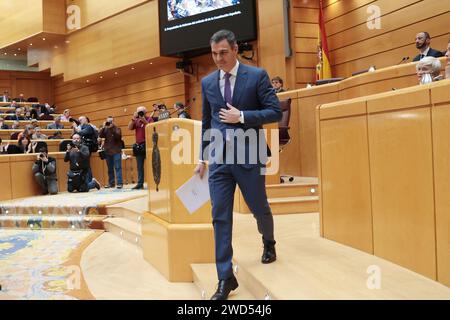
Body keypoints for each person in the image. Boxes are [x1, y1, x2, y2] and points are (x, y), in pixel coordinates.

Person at [194, 30, 282, 300]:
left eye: (222, 52)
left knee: (259, 208)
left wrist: (241, 116)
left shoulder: (256, 76)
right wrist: (202, 156)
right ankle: (225, 277)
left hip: (249, 153)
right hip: (220, 160)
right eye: (214, 53)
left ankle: (268, 241)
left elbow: (274, 111)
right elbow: (207, 121)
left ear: (234, 50)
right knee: (220, 215)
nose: (218, 58)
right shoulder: (208, 82)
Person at [128, 106, 153, 189]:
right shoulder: (136, 120)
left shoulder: (149, 119)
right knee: (139, 166)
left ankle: (152, 182)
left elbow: (151, 128)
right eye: (139, 111)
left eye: (142, 111)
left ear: (145, 112)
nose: (140, 113)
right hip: (139, 146)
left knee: (151, 165)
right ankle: (140, 183)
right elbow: (129, 128)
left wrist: (144, 121)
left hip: (148, 145)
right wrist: (133, 118)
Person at [99, 116, 123, 189]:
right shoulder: (105, 129)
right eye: (108, 121)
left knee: (118, 167)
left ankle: (119, 183)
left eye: (111, 121)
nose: (109, 123)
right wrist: (103, 127)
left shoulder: (117, 129)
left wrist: (112, 128)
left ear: (113, 121)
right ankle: (111, 183)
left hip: (116, 151)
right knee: (110, 168)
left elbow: (118, 137)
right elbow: (100, 135)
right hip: (108, 151)